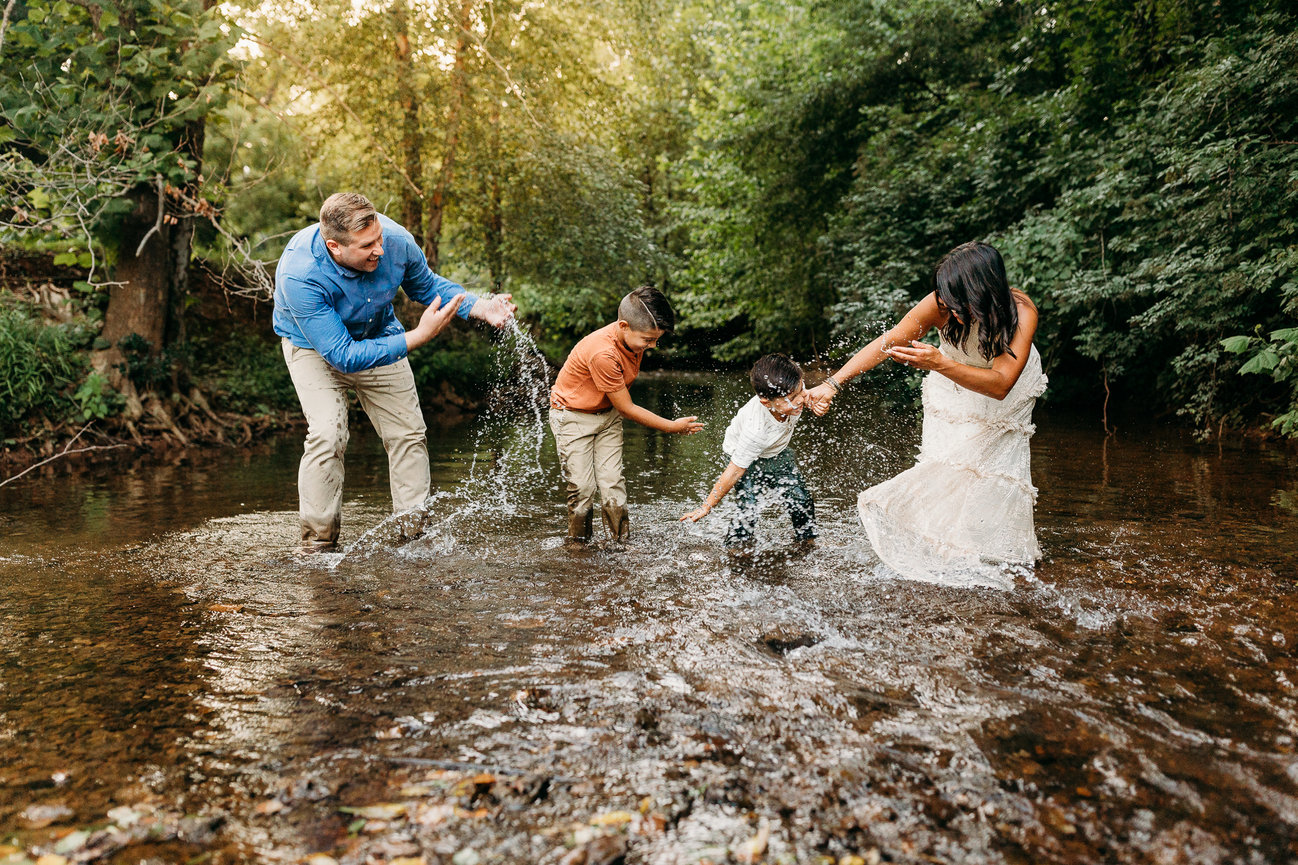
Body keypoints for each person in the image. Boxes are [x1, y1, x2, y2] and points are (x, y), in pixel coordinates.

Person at [273, 192, 515, 550]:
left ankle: (412, 538)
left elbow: (427, 286)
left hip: (378, 334)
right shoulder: (300, 273)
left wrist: (479, 306)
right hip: (314, 348)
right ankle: (318, 544)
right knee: (327, 435)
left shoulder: (396, 240)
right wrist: (419, 336)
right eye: (368, 245)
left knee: (409, 434)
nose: (380, 251)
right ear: (334, 247)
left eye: (379, 238)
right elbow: (342, 355)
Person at [806, 241, 1047, 586]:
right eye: (944, 298)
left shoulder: (1021, 312)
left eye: (955, 300)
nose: (946, 306)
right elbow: (888, 342)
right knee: (945, 461)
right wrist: (834, 382)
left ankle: (996, 549)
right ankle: (944, 551)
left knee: (991, 470)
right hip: (951, 385)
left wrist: (940, 362)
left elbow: (1000, 384)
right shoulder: (940, 303)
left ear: (982, 293)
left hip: (1005, 388)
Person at [549, 286, 704, 544]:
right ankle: (578, 550)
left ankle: (621, 545)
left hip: (606, 415)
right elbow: (627, 408)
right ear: (623, 325)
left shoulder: (634, 339)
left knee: (613, 486)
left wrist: (642, 341)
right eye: (647, 339)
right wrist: (672, 427)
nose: (652, 346)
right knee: (583, 490)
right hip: (573, 418)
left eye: (656, 339)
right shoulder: (603, 353)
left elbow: (618, 405)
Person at [681, 354, 817, 550]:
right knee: (749, 508)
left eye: (801, 390)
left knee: (800, 499)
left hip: (777, 451)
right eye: (792, 399)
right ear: (766, 402)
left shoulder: (794, 394)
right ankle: (736, 549)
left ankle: (807, 542)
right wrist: (707, 506)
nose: (801, 400)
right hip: (745, 458)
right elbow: (734, 471)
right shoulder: (756, 430)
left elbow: (805, 396)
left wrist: (818, 402)